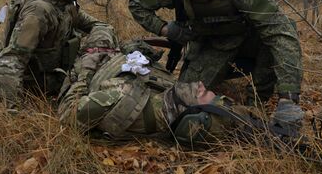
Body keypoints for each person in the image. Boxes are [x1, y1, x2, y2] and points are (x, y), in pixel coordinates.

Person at [128, 0, 304, 133]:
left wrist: (289, 99)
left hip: (246, 40)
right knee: (182, 102)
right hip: (210, 43)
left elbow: (281, 31)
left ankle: (255, 102)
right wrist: (166, 29)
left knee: (275, 37)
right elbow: (137, 5)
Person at [0, 0, 116, 109]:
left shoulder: (63, 3)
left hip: (57, 75)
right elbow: (10, 60)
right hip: (36, 85)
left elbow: (100, 25)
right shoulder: (39, 11)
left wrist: (95, 50)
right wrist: (12, 110)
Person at [58, 39, 254, 143]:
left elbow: (70, 114)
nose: (200, 86)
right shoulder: (170, 101)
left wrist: (84, 73)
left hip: (88, 59)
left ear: (188, 112)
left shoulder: (125, 102)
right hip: (113, 53)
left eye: (201, 94)